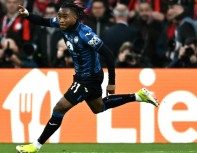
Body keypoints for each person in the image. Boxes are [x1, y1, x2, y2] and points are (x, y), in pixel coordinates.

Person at [16, 1, 159, 153]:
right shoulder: (62, 24)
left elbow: (109, 55)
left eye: (65, 17)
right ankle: (138, 96)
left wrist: (112, 82)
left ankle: (36, 146)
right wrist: (27, 15)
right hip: (84, 76)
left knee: (59, 108)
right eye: (59, 17)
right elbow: (43, 21)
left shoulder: (85, 34)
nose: (61, 20)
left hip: (88, 78)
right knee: (99, 107)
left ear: (75, 17)